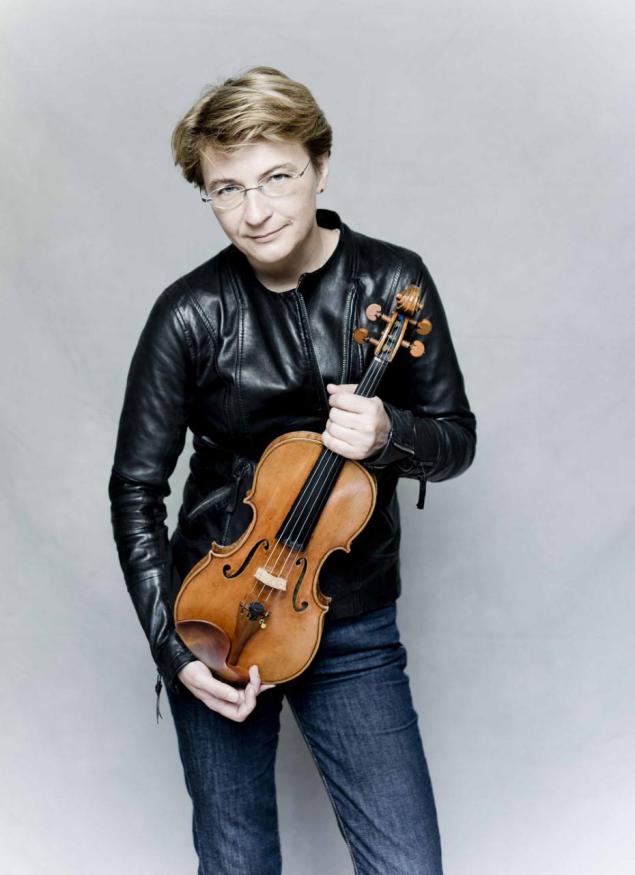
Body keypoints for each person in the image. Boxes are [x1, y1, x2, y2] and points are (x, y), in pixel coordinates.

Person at [108, 65, 476, 875]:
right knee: (236, 860)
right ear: (207, 194)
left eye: (277, 177)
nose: (255, 211)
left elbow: (455, 437)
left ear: (320, 166)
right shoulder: (189, 311)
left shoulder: (394, 280)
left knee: (406, 863)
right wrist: (173, 648)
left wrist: (390, 431)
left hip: (347, 615)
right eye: (226, 189)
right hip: (217, 614)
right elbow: (135, 489)